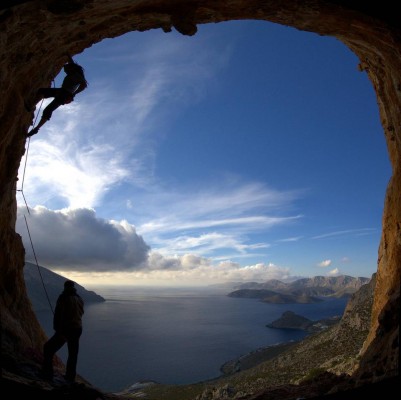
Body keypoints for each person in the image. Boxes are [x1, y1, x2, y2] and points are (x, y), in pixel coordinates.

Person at [26, 55, 88, 137]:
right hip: (63, 92)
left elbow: (83, 85)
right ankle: (35, 122)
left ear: (71, 69)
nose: (65, 71)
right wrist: (67, 55)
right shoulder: (74, 71)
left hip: (65, 93)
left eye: (66, 70)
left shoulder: (77, 75)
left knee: (45, 101)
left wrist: (73, 94)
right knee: (45, 100)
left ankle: (34, 118)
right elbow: (71, 63)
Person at [41, 279, 85, 383]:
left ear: (65, 287)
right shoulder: (79, 299)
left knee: (48, 349)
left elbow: (58, 315)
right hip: (78, 329)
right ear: (74, 287)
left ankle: (47, 374)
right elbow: (81, 313)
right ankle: (70, 378)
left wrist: (58, 330)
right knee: (73, 354)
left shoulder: (63, 298)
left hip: (66, 330)